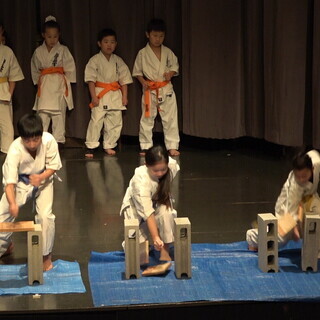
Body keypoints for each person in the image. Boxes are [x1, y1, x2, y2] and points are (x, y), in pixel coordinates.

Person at [0, 113, 62, 271]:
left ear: (41, 134)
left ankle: (45, 257)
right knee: (2, 216)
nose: (32, 144)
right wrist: (13, 203)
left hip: (44, 181)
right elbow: (9, 183)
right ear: (21, 137)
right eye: (28, 140)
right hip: (20, 184)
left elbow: (53, 165)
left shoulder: (49, 140)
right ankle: (5, 247)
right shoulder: (15, 149)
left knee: (45, 217)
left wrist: (41, 177)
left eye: (36, 139)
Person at [246, 150, 320, 251]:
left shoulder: (316, 161)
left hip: (310, 197)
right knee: (281, 238)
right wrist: (295, 228)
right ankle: (253, 236)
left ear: (312, 169)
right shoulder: (295, 186)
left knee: (317, 218)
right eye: (298, 176)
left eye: (304, 176)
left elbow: (313, 153)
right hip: (288, 206)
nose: (301, 179)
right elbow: (292, 210)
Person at [120, 145, 180, 261]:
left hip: (158, 200)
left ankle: (165, 251)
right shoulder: (140, 182)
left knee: (167, 213)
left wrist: (160, 241)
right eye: (156, 170)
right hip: (136, 206)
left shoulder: (170, 165)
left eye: (163, 169)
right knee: (140, 258)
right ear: (146, 165)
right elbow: (148, 214)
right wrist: (156, 237)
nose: (160, 173)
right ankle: (134, 244)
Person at [132, 19, 180, 157]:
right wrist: (143, 82)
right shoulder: (142, 53)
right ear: (148, 34)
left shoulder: (168, 52)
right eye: (155, 36)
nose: (158, 39)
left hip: (166, 89)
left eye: (161, 36)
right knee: (147, 118)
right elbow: (137, 72)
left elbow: (175, 66)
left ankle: (172, 146)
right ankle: (146, 145)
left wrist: (171, 73)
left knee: (170, 119)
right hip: (150, 90)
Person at [84, 28, 132, 157]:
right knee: (96, 120)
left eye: (112, 42)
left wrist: (125, 97)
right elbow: (90, 81)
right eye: (106, 42)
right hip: (100, 93)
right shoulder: (94, 60)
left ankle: (109, 144)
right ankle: (91, 145)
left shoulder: (119, 61)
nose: (109, 45)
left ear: (116, 44)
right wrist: (93, 97)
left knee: (115, 121)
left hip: (115, 93)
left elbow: (124, 80)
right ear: (99, 43)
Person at [31, 15, 76, 146]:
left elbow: (70, 67)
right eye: (49, 36)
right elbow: (35, 68)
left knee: (59, 115)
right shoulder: (38, 51)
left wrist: (68, 81)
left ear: (59, 35)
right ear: (43, 35)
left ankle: (59, 141)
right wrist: (37, 81)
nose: (52, 40)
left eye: (55, 36)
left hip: (58, 84)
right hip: (45, 84)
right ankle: (41, 141)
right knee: (43, 115)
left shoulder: (63, 50)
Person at [0, 22, 24, 154]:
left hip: (3, 91)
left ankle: (6, 150)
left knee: (6, 125)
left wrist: (9, 93)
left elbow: (13, 76)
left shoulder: (7, 52)